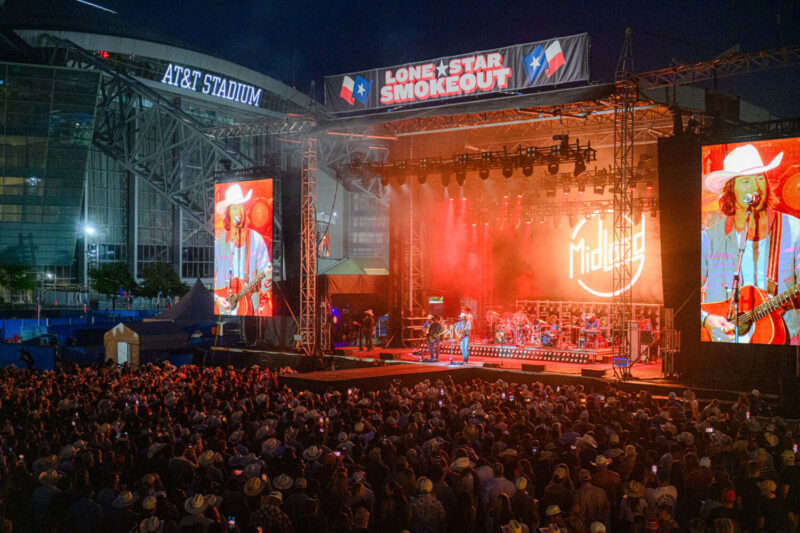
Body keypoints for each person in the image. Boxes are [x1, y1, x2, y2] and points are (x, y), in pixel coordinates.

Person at [701, 143, 800, 343]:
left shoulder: (794, 229)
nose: (756, 187)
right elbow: (684, 295)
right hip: (723, 346)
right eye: (746, 181)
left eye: (759, 178)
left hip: (782, 341)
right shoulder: (710, 238)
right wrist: (706, 319)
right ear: (730, 191)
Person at [214, 183, 273, 316]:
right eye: (234, 208)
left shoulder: (257, 240)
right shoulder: (219, 243)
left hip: (249, 309)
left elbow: (265, 287)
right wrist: (217, 299)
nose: (239, 212)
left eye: (241, 207)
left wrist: (268, 277)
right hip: (224, 309)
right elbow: (211, 278)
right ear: (228, 213)